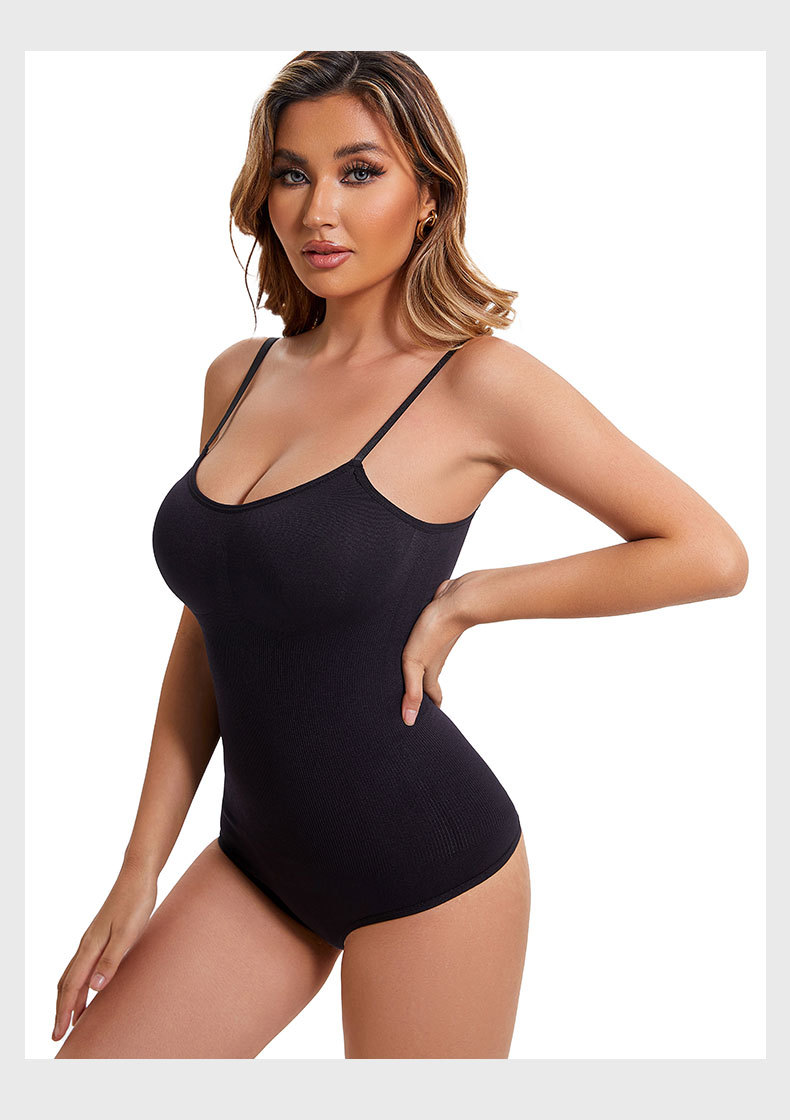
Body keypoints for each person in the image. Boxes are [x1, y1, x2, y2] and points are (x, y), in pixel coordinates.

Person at [52, 50, 748, 1059]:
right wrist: (138, 868)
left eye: (359, 171)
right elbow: (212, 625)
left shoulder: (478, 383)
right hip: (255, 860)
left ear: (428, 196)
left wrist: (471, 598)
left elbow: (708, 552)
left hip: (429, 868)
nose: (318, 211)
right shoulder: (236, 377)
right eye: (292, 174)